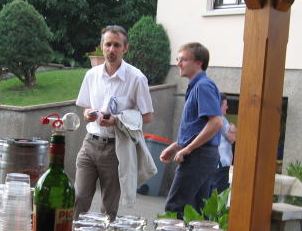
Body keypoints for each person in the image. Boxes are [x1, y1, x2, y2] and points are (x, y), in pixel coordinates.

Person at [74, 25, 154, 220]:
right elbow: (85, 108)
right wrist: (88, 114)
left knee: (109, 208)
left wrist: (117, 120)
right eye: (108, 44)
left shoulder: (136, 78)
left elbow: (147, 116)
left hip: (116, 147)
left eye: (116, 45)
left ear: (125, 48)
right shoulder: (92, 75)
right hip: (90, 143)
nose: (111, 49)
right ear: (101, 46)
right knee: (78, 199)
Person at [161, 43, 222, 217]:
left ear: (199, 63)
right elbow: (197, 126)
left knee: (175, 209)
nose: (178, 63)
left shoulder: (203, 86)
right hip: (202, 155)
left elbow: (216, 123)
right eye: (178, 59)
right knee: (195, 212)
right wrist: (177, 146)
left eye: (184, 59)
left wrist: (187, 149)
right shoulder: (198, 86)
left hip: (199, 156)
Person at [211, 93, 237, 194]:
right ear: (219, 105)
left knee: (217, 191)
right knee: (219, 192)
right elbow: (232, 138)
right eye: (225, 105)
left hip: (220, 163)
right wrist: (233, 129)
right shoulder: (220, 119)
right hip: (220, 163)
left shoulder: (219, 119)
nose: (227, 107)